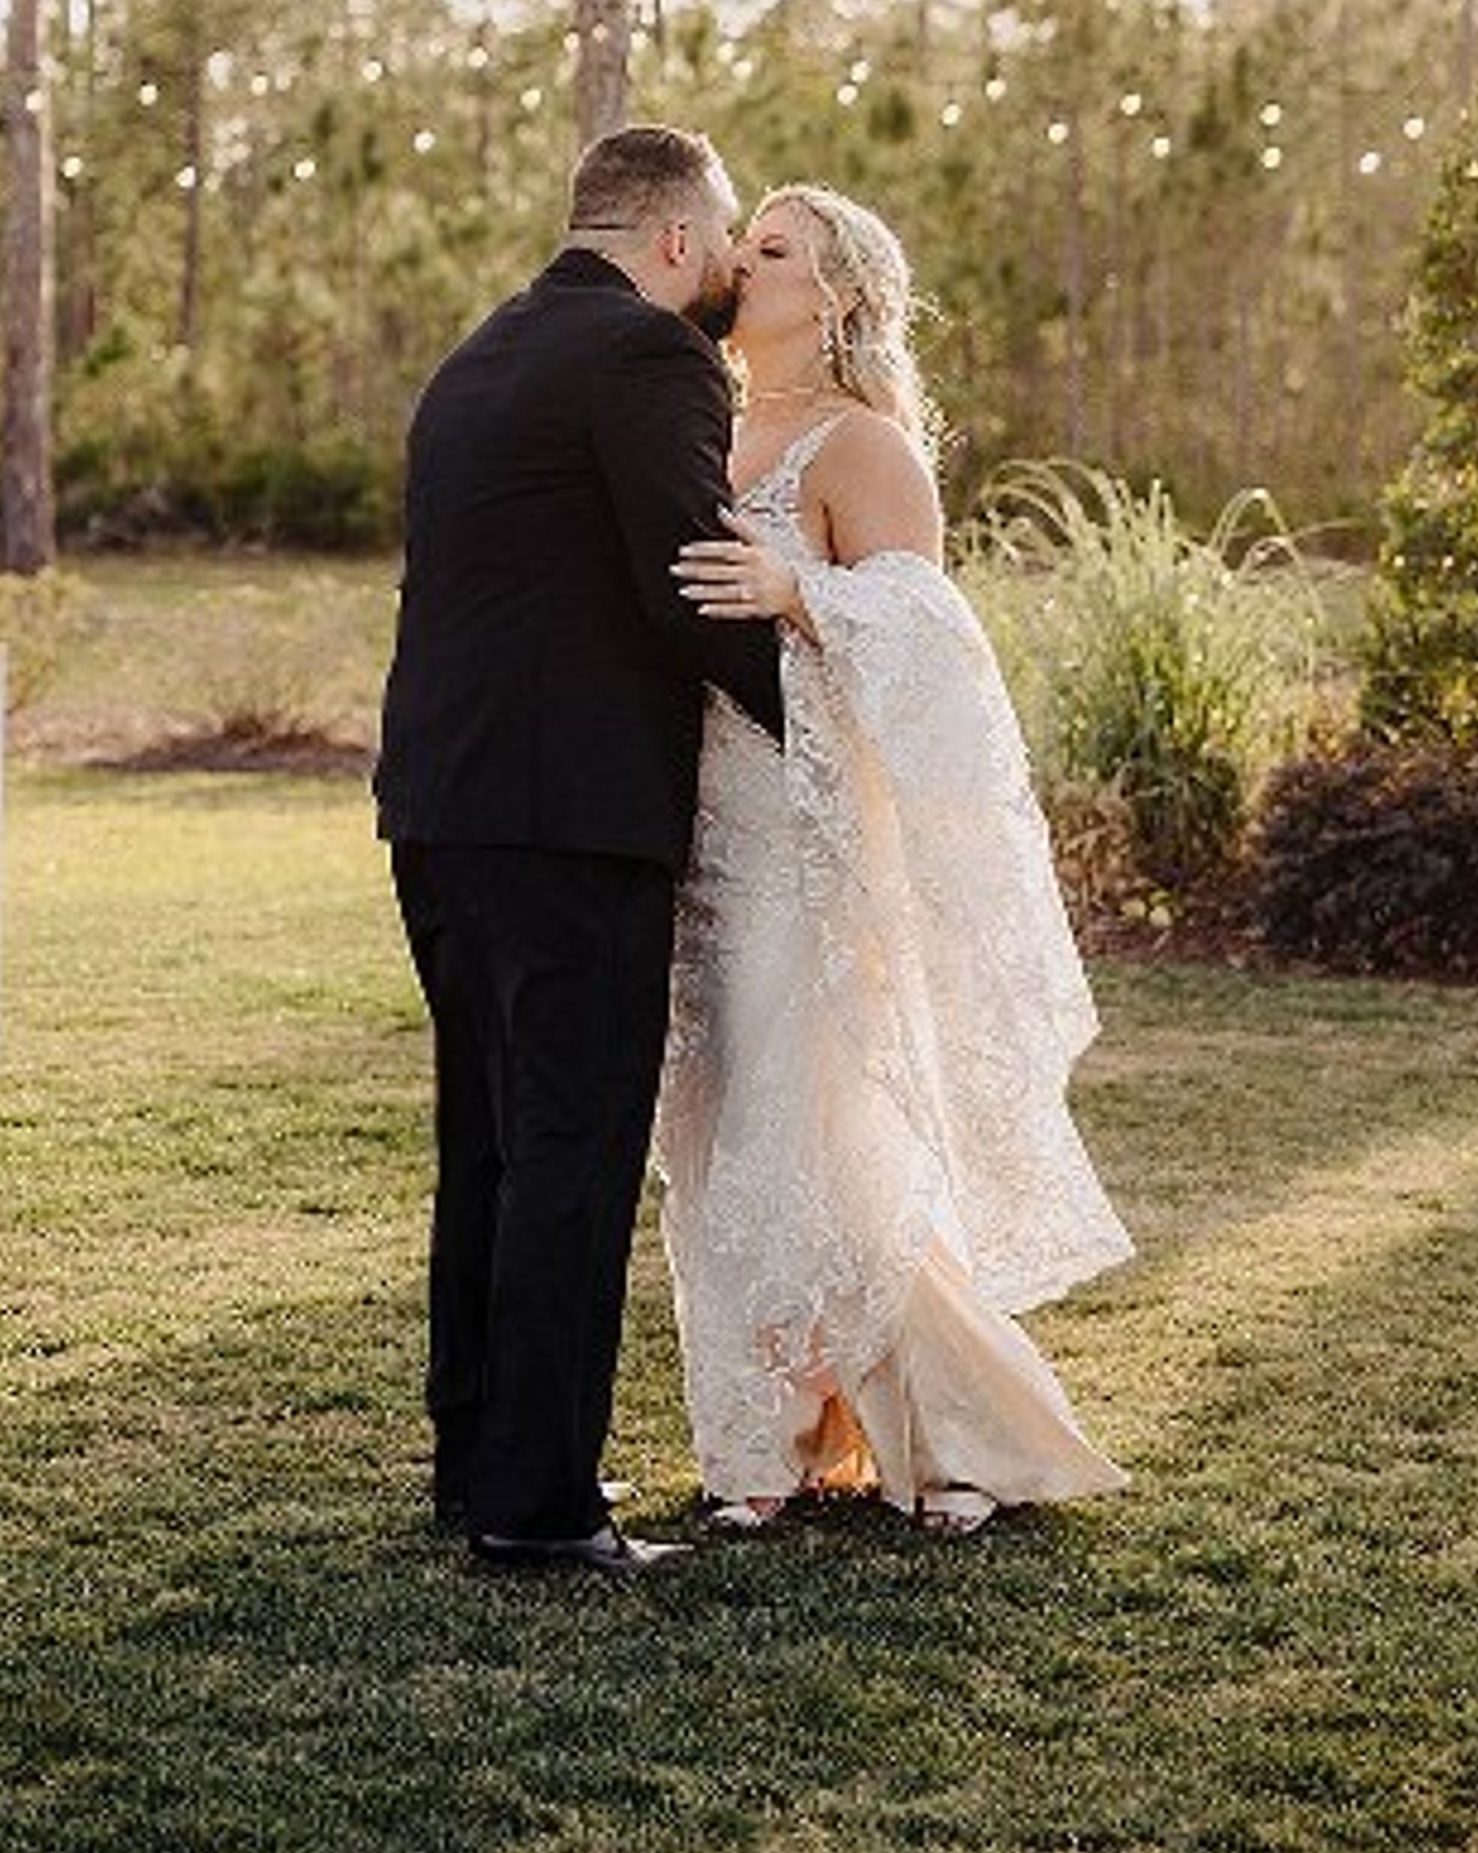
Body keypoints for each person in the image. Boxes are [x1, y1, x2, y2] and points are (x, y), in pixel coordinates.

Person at [663, 185, 1133, 1534]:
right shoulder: (702, 421)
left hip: (803, 849)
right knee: (709, 1133)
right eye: (742, 245)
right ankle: (760, 1446)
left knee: (809, 1135)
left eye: (770, 253)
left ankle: (958, 1440)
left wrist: (799, 590)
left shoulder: (860, 447)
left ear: (840, 298)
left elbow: (934, 646)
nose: (737, 266)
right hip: (696, 827)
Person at [375, 124, 790, 1577]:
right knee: (572, 1148)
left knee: (487, 1142)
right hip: (568, 821)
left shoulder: (478, 357)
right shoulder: (647, 357)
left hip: (438, 808)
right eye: (728, 243)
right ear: (676, 239)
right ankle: (542, 1507)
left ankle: (473, 1463)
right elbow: (696, 586)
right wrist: (829, 734)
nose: (733, 271)